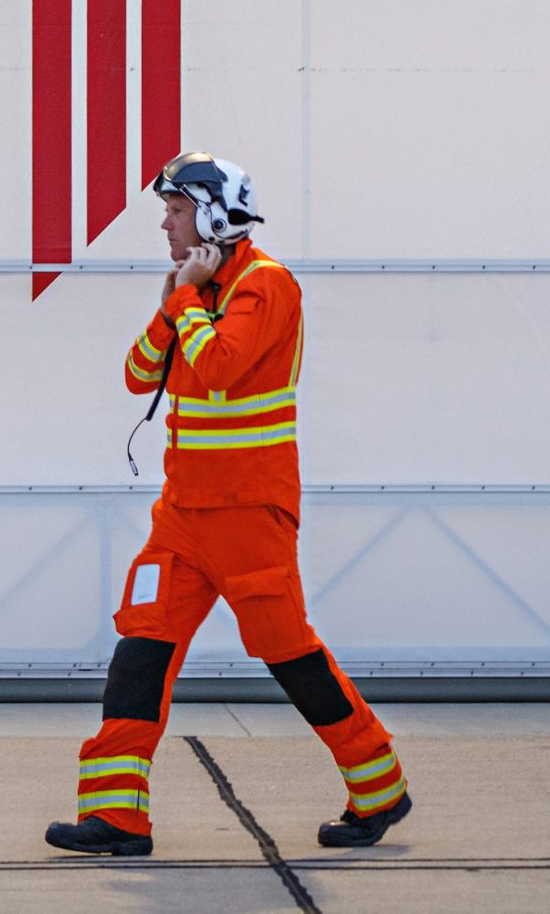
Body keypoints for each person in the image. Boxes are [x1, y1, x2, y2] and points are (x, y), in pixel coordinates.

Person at [44, 153, 411, 858]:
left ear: (213, 216)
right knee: (140, 650)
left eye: (175, 210)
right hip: (183, 514)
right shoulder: (197, 294)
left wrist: (185, 300)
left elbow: (217, 367)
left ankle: (379, 785)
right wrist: (172, 301)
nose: (165, 223)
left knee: (290, 654)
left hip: (250, 516)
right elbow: (136, 375)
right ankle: (117, 815)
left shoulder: (266, 287)